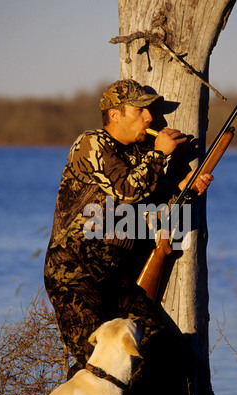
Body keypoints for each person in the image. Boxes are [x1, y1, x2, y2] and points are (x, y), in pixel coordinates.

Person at [44, 79, 213, 379]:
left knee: (160, 351)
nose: (150, 118)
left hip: (117, 280)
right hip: (75, 275)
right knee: (99, 364)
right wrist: (160, 154)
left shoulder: (139, 158)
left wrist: (185, 189)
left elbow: (154, 209)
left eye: (151, 111)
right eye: (140, 110)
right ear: (114, 115)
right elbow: (127, 189)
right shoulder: (90, 143)